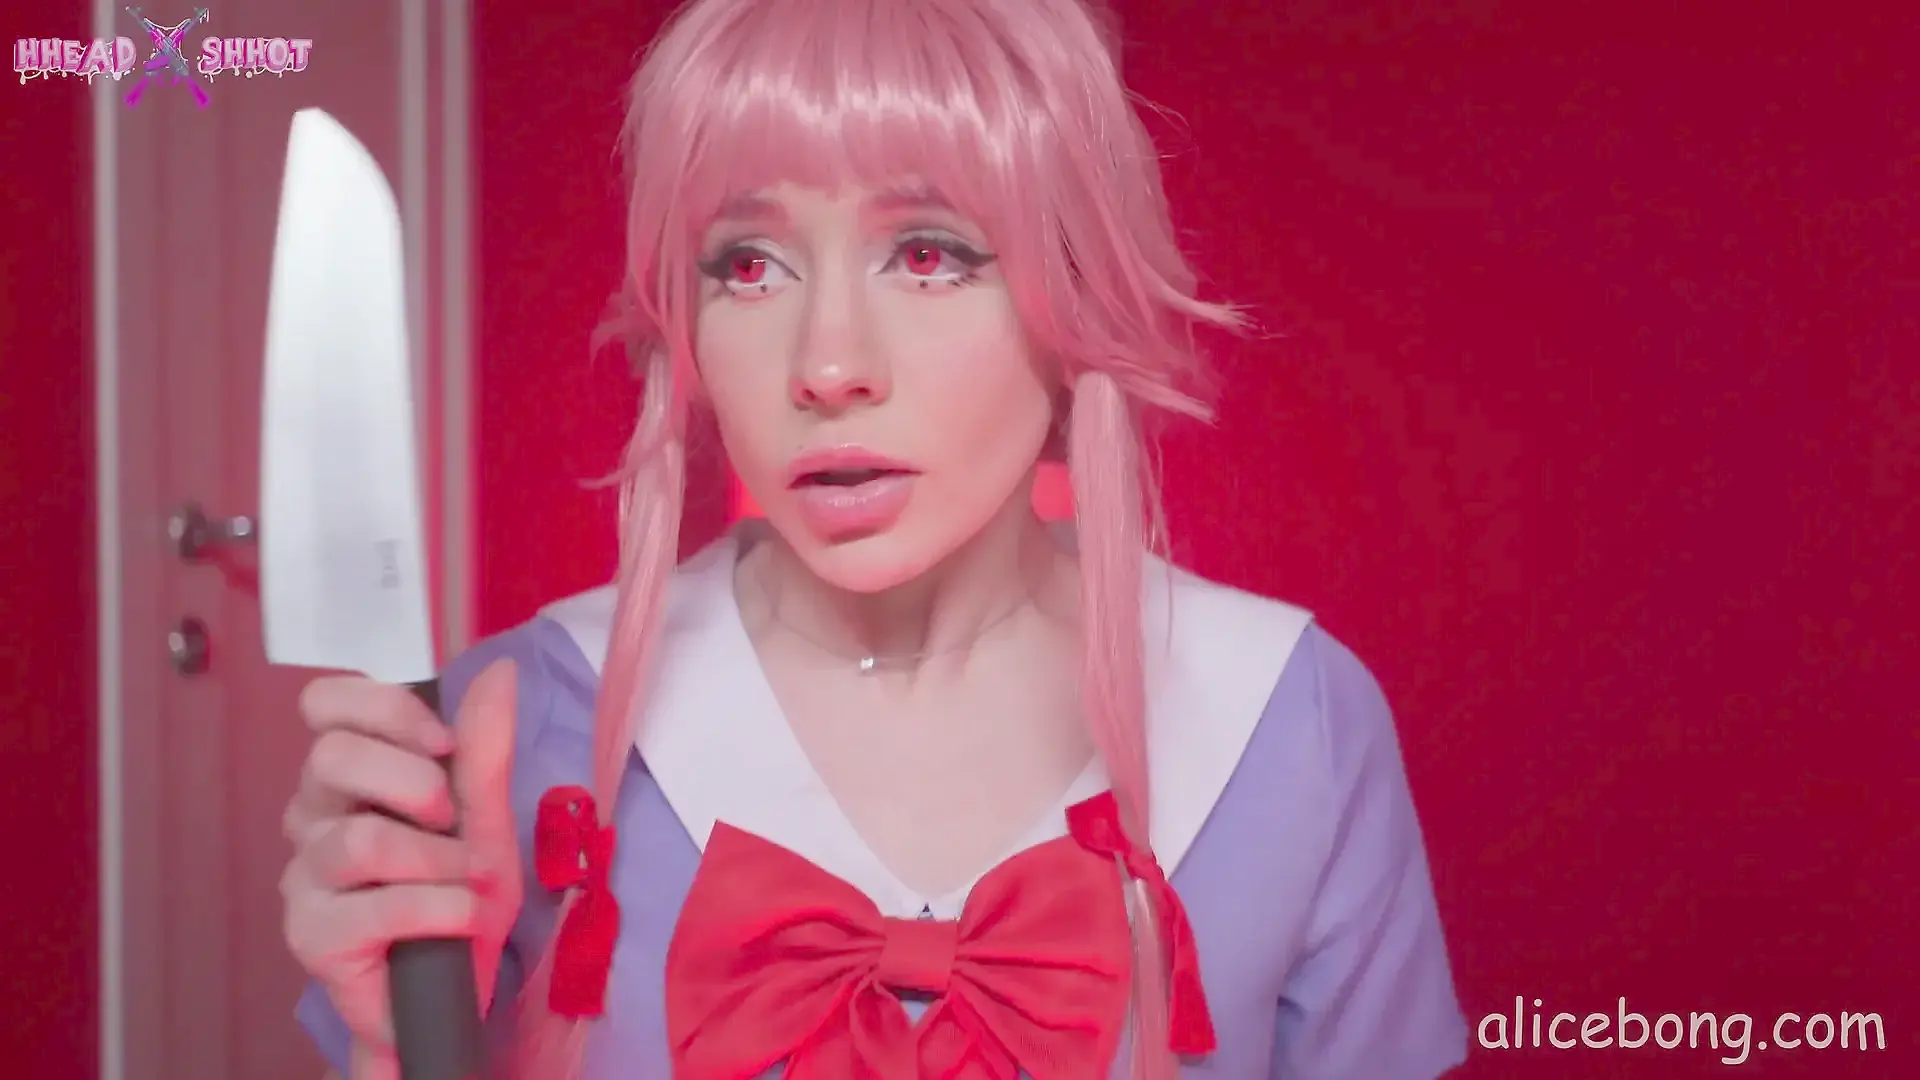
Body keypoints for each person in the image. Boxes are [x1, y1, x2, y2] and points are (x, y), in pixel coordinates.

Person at [279, 0, 1470, 1076]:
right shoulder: (505, 730)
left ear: (1076, 295)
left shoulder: (1293, 721)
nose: (828, 365)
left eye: (928, 254)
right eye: (749, 265)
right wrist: (398, 1050)